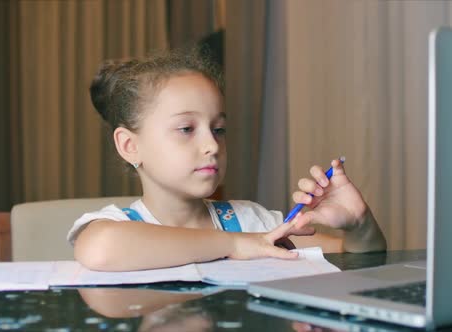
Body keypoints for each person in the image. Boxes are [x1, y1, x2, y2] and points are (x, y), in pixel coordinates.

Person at [68, 48, 386, 271]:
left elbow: (358, 260)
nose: (211, 144)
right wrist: (235, 245)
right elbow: (101, 248)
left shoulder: (250, 222)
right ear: (129, 146)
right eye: (186, 128)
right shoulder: (117, 226)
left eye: (219, 129)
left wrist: (359, 225)